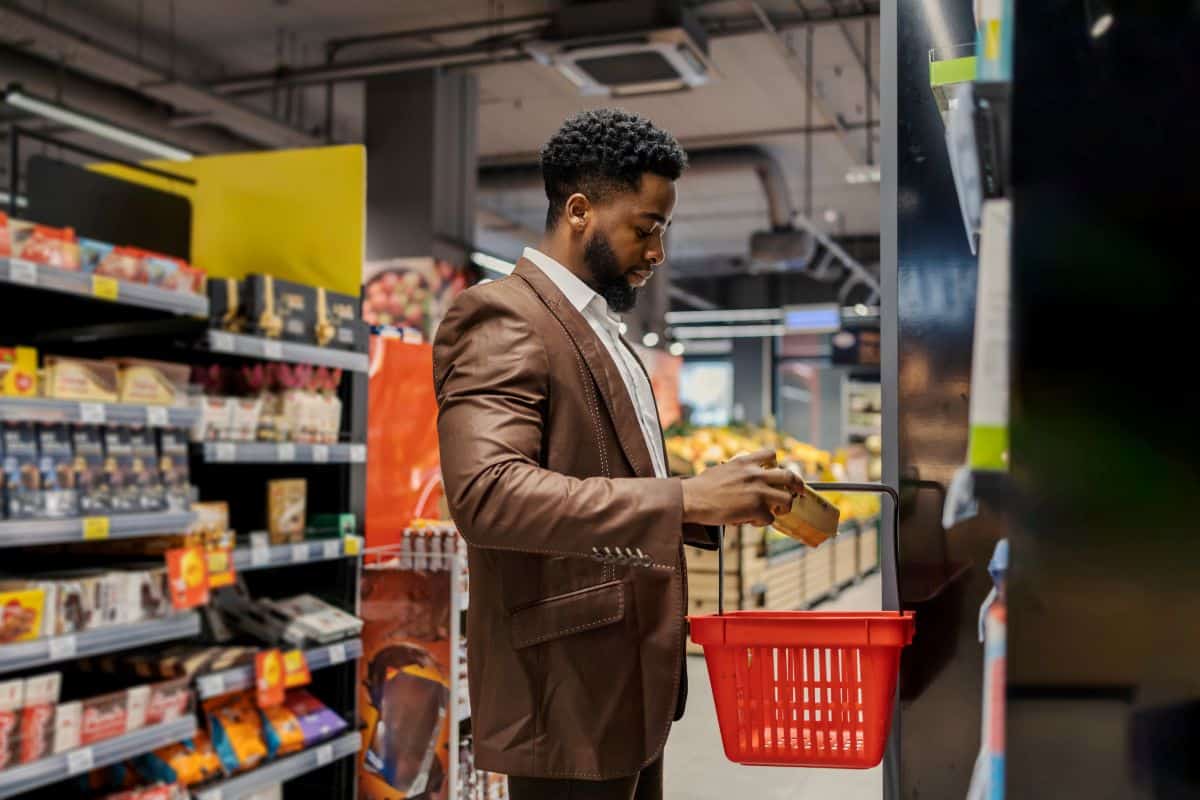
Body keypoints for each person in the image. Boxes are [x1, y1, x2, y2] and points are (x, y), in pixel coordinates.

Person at [433, 108, 801, 800]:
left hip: (629, 679)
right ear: (579, 211)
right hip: (565, 691)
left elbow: (610, 476)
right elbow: (487, 494)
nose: (658, 252)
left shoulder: (604, 331)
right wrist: (684, 499)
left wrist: (717, 495)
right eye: (646, 227)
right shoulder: (502, 315)